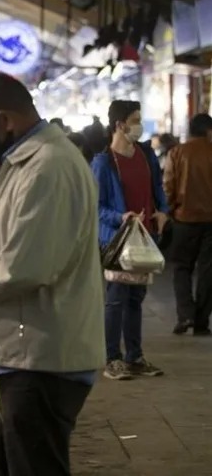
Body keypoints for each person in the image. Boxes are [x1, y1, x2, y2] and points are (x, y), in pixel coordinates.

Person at [0, 72, 104, 476]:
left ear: (4, 119)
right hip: (31, 347)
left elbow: (26, 267)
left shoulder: (47, 167)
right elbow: (22, 246)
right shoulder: (27, 161)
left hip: (44, 352)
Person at [91, 100, 169, 379]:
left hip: (145, 238)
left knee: (136, 298)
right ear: (120, 125)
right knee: (115, 299)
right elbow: (95, 206)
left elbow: (157, 188)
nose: (139, 124)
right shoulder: (103, 162)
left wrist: (162, 211)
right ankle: (112, 358)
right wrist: (119, 217)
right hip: (116, 241)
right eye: (135, 119)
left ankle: (135, 356)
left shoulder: (145, 155)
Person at [164, 113, 212, 336]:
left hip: (184, 219)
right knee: (207, 271)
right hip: (211, 223)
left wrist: (170, 210)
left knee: (182, 268)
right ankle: (201, 322)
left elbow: (169, 186)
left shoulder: (177, 152)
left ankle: (186, 315)